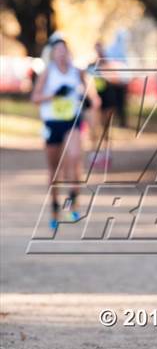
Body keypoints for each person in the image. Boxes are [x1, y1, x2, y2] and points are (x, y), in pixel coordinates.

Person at [32, 35, 100, 229]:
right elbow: (35, 98)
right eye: (58, 52)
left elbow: (93, 97)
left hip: (72, 120)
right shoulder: (48, 72)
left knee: (75, 156)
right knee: (54, 169)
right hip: (52, 123)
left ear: (68, 53)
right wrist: (53, 95)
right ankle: (54, 208)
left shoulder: (77, 72)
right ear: (53, 55)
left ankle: (72, 203)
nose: (62, 55)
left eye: (64, 51)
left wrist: (88, 100)